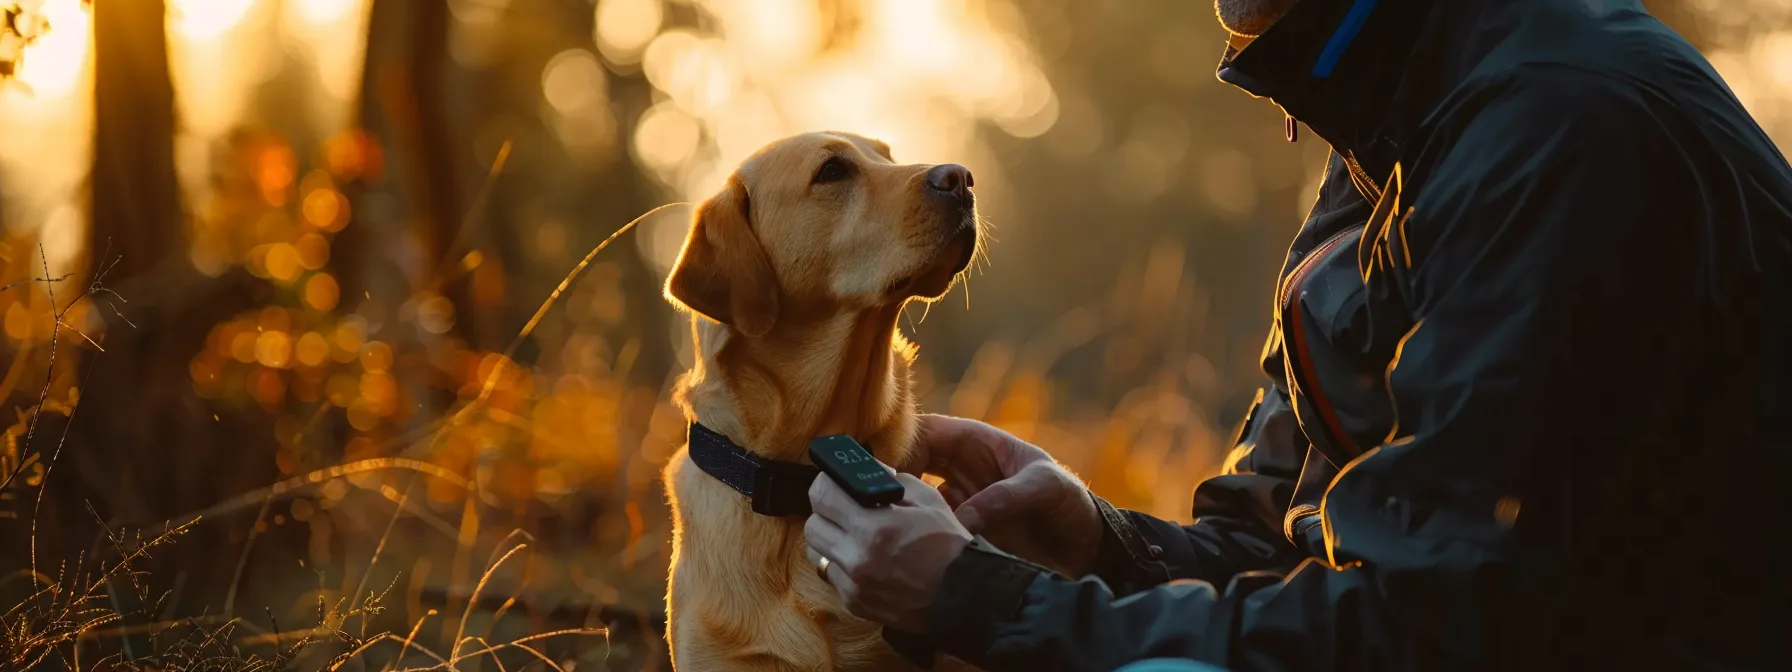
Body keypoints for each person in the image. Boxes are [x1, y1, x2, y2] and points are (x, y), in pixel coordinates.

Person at [800, 0, 1792, 669]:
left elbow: (1429, 626)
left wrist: (981, 598)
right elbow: (1292, 543)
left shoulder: (1554, 131)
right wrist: (1099, 542)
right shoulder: (1391, 117)